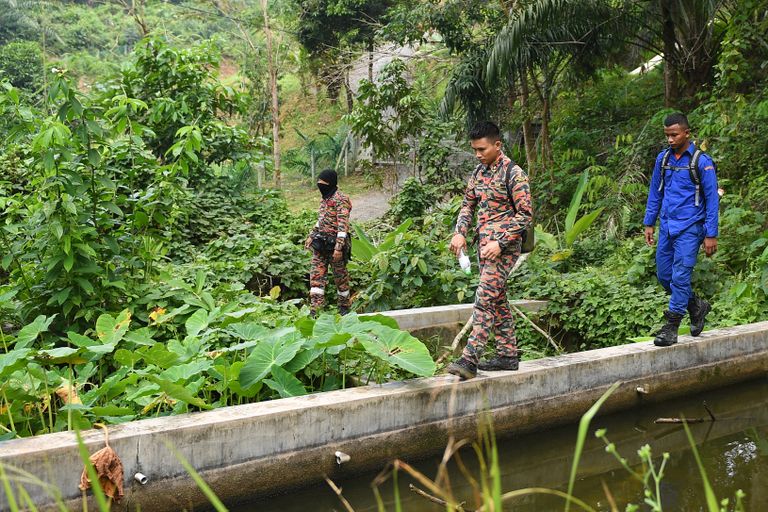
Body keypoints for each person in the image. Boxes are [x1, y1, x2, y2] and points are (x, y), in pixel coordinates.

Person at [447, 121, 533, 380]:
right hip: (484, 247)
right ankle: (508, 355)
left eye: (482, 149)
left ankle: (469, 359)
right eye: (474, 150)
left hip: (504, 249)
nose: (478, 154)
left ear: (498, 145)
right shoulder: (478, 173)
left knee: (484, 299)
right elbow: (467, 205)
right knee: (498, 299)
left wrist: (501, 242)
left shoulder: (514, 174)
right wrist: (460, 232)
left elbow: (525, 215)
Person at [643, 112, 719, 346]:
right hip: (666, 225)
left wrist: (710, 233)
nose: (670, 139)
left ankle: (671, 327)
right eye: (667, 135)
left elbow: (712, 199)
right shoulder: (663, 159)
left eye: (674, 135)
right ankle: (696, 305)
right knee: (665, 276)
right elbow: (655, 191)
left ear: (687, 133)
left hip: (690, 227)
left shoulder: (701, 162)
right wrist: (649, 222)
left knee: (680, 275)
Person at [304, 169, 352, 317]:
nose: (320, 185)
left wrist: (338, 248)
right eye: (319, 183)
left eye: (323, 183)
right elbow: (322, 219)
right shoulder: (324, 199)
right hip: (321, 244)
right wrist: (312, 235)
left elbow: (343, 225)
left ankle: (344, 307)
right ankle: (315, 310)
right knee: (316, 276)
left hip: (335, 245)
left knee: (340, 278)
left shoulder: (340, 199)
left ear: (331, 182)